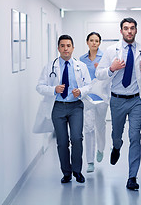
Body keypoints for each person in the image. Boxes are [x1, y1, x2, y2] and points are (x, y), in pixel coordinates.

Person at [96, 17, 141, 190]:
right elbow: (99, 74)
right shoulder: (111, 51)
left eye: (132, 28)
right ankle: (116, 147)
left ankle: (132, 177)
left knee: (135, 136)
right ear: (121, 31)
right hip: (117, 100)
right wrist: (112, 68)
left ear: (136, 30)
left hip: (137, 99)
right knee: (117, 134)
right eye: (126, 28)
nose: (129, 31)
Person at [35, 35, 91, 183]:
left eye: (68, 45)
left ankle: (77, 171)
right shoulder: (49, 67)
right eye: (62, 45)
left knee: (77, 138)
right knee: (62, 142)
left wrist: (81, 91)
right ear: (58, 48)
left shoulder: (81, 66)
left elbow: (89, 85)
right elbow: (39, 86)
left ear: (73, 48)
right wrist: (54, 89)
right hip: (58, 107)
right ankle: (66, 172)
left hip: (75, 107)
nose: (65, 48)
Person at [79, 32, 109, 173]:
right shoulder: (81, 59)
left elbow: (110, 76)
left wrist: (100, 69)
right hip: (87, 98)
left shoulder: (105, 58)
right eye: (91, 40)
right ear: (87, 42)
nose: (94, 43)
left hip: (101, 97)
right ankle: (90, 161)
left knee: (100, 126)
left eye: (97, 40)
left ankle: (101, 149)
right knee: (88, 128)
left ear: (99, 42)